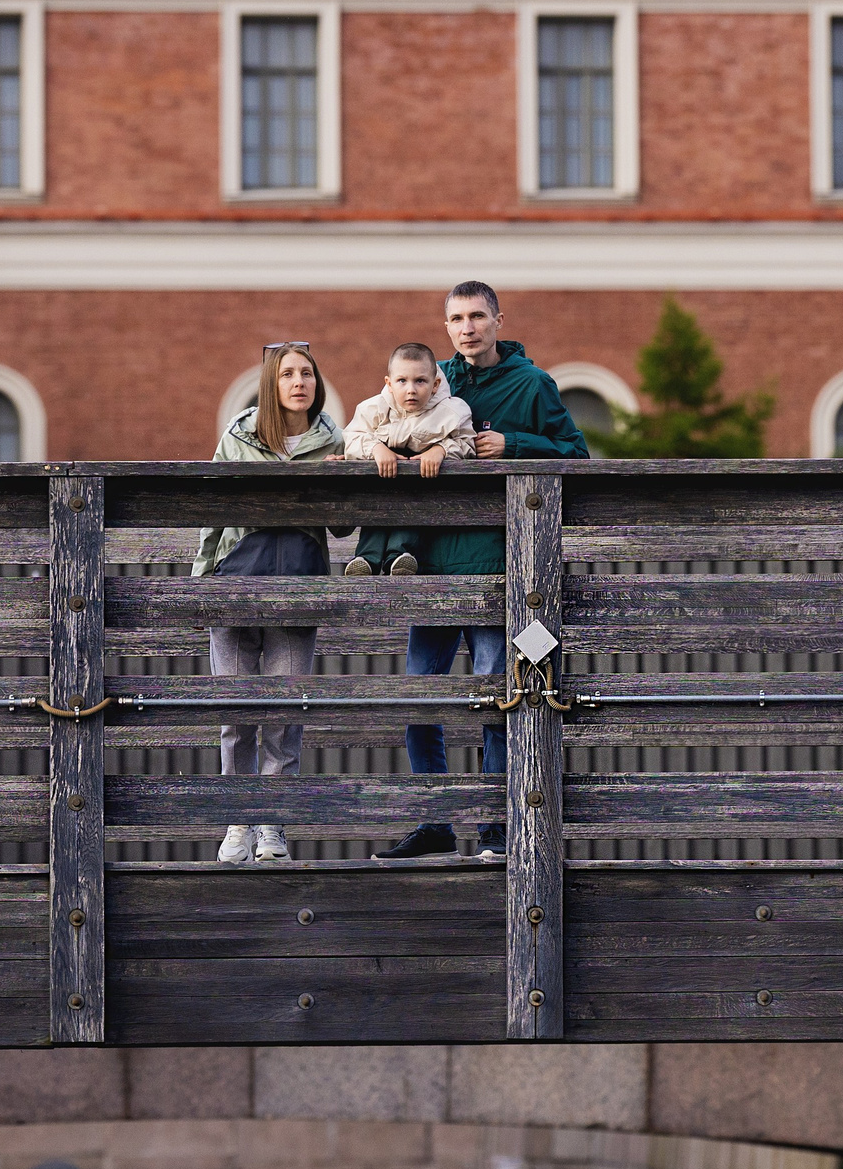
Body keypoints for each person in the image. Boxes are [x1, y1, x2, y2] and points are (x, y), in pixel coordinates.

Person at [375, 281, 592, 861]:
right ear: (445, 326)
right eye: (456, 318)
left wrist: (516, 443)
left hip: (501, 567)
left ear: (499, 320)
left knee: (499, 701)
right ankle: (436, 822)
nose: (467, 327)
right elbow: (378, 428)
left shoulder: (532, 383)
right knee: (420, 702)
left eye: (477, 316)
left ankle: (496, 832)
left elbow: (577, 453)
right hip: (431, 567)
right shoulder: (430, 378)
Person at [196, 342, 346, 866]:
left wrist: (341, 477)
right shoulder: (238, 437)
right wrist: (202, 582)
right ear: (271, 383)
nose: (299, 381)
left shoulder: (333, 439)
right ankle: (238, 822)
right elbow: (211, 511)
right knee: (236, 716)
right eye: (287, 374)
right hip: (237, 583)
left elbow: (343, 523)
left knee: (284, 716)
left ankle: (272, 826)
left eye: (307, 373)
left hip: (299, 587)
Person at [343, 343, 478, 575]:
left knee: (412, 501)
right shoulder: (373, 408)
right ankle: (366, 558)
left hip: (421, 485)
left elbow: (467, 442)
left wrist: (442, 450)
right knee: (377, 507)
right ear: (389, 383)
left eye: (420, 381)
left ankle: (400, 556)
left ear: (435, 384)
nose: (411, 389)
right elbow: (352, 437)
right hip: (381, 483)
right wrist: (375, 447)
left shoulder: (451, 411)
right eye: (402, 381)